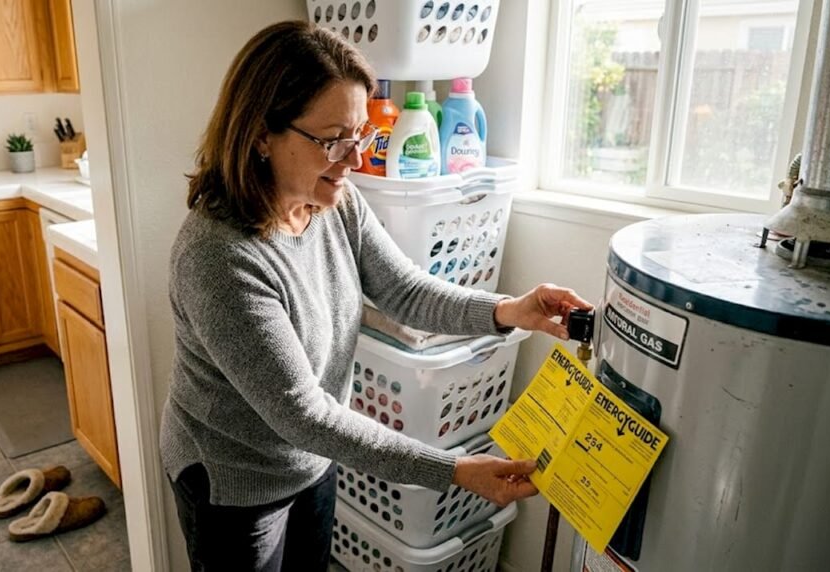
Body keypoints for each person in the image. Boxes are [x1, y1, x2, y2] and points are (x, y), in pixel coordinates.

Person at [160, 20, 593, 571]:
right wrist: (454, 471)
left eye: (360, 135)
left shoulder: (333, 202)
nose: (356, 158)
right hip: (234, 479)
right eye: (333, 139)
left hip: (313, 460)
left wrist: (510, 311)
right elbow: (305, 415)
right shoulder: (218, 258)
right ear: (261, 134)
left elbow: (405, 291)